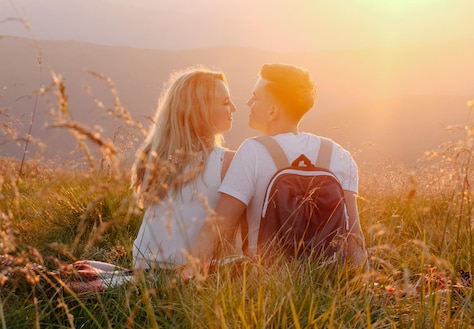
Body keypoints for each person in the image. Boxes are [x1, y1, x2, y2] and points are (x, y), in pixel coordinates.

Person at [186, 63, 369, 278]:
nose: (248, 103)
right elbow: (354, 235)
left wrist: (188, 275)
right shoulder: (339, 155)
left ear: (272, 111)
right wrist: (360, 288)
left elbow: (219, 228)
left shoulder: (252, 151)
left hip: (266, 286)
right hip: (327, 281)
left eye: (255, 97)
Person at [131, 66, 238, 272]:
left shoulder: (156, 158)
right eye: (225, 102)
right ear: (201, 111)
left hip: (141, 264)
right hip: (182, 271)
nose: (233, 107)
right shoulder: (227, 162)